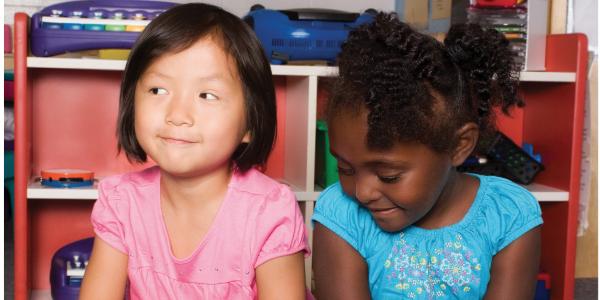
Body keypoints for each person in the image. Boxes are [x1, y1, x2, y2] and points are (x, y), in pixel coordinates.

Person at [80, 3, 310, 299]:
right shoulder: (121, 202)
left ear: (250, 123)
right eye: (158, 90)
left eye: (207, 95)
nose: (178, 114)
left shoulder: (270, 212)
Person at [312, 12, 542, 300]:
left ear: (459, 146)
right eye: (345, 168)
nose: (362, 192)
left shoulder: (508, 216)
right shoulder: (342, 215)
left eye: (388, 176)